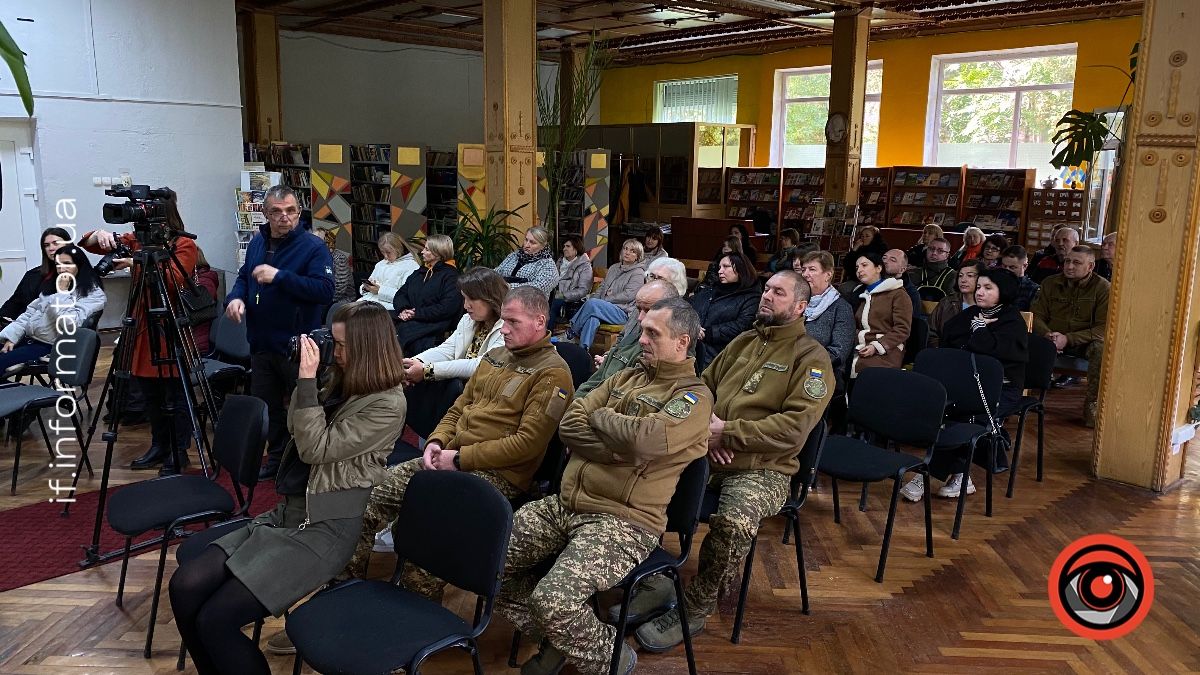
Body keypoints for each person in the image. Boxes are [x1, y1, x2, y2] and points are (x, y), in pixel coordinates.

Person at [170, 302, 407, 675]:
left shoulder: (388, 404)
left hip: (325, 528)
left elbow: (315, 449)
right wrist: (308, 377)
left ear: (366, 349)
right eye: (334, 341)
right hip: (289, 513)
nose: (334, 350)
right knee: (185, 585)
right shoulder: (338, 378)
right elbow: (300, 429)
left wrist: (308, 381)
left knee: (216, 619)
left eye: (341, 345)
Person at [500, 297, 712, 675]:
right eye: (642, 330)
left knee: (553, 601)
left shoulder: (692, 398)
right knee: (485, 562)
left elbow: (647, 440)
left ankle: (610, 658)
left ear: (682, 342)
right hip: (566, 504)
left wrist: (599, 416)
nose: (641, 338)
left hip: (622, 522)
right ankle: (562, 638)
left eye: (652, 333)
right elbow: (568, 422)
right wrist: (614, 444)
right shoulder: (624, 376)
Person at [633, 271, 832, 652]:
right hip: (710, 448)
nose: (767, 296)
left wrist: (730, 432)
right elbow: (700, 388)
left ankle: (696, 607)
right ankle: (656, 581)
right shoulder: (744, 342)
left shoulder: (811, 358)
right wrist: (706, 433)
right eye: (767, 289)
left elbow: (795, 428)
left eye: (779, 292)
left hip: (765, 467)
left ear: (801, 307)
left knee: (734, 521)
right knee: (645, 480)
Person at [339, 287, 573, 590]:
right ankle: (345, 584)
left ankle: (420, 622)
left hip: (497, 473)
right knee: (370, 495)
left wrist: (460, 459)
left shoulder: (553, 373)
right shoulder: (495, 356)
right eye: (503, 320)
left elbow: (527, 445)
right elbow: (458, 409)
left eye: (513, 322)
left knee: (429, 530)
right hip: (451, 457)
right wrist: (436, 441)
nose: (504, 329)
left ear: (540, 321)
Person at [83, 188, 205, 475]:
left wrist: (137, 261)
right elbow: (91, 245)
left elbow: (174, 282)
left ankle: (179, 451)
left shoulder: (183, 243)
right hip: (141, 331)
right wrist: (97, 235)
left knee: (175, 395)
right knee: (150, 396)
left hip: (168, 330)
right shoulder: (138, 241)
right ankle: (159, 445)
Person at [225, 184, 334, 480]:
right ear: (266, 213)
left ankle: (304, 463)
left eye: (290, 211)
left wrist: (280, 277)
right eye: (277, 212)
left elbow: (325, 291)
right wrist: (235, 298)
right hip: (261, 341)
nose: (284, 217)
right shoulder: (258, 243)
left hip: (297, 344)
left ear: (299, 213)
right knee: (268, 406)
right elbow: (244, 278)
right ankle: (275, 458)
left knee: (303, 407)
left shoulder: (313, 247)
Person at [904, 268, 1029, 501]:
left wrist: (980, 333)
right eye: (979, 286)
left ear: (1004, 291)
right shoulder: (971, 313)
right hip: (965, 386)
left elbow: (995, 357)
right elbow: (950, 341)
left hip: (1000, 390)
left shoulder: (1012, 321)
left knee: (968, 419)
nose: (980, 292)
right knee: (947, 414)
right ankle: (962, 475)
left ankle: (926, 475)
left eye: (987, 288)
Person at [399, 267, 508, 438]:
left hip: (486, 394)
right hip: (460, 389)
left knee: (443, 383)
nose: (465, 306)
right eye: (464, 299)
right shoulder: (469, 320)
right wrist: (413, 362)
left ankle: (432, 438)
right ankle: (426, 436)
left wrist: (428, 370)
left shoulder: (507, 327)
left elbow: (481, 365)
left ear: (490, 298)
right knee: (430, 380)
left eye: (471, 299)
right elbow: (447, 349)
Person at [1032, 245, 1109, 427]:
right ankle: (1018, 401)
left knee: (1101, 349)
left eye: (1077, 262)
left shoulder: (1103, 288)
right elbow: (1036, 315)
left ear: (1090, 267)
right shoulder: (1050, 283)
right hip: (1050, 339)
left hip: (1084, 342)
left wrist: (1068, 339)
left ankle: (1092, 408)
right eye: (1067, 261)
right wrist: (1048, 335)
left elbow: (1104, 328)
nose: (1070, 266)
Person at [0, 245, 106, 374]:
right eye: (58, 264)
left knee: (2, 362)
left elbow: (71, 325)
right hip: (30, 338)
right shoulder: (52, 286)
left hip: (53, 348)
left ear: (80, 265)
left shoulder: (94, 294)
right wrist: (12, 337)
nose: (62, 269)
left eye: (67, 264)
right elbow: (29, 314)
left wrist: (62, 293)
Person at [575, 280, 680, 398]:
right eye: (639, 309)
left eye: (648, 310)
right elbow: (591, 384)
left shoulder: (672, 352)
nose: (640, 318)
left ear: (670, 311)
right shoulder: (631, 339)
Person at [567, 239, 647, 351]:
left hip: (623, 312)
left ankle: (572, 332)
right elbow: (602, 287)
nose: (627, 252)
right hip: (604, 308)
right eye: (625, 249)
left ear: (638, 256)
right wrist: (596, 298)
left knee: (593, 304)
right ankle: (583, 349)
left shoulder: (638, 273)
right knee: (592, 318)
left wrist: (605, 300)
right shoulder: (614, 268)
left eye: (633, 251)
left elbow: (628, 295)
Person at [391, 234, 462, 356]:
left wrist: (416, 314)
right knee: (380, 321)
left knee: (402, 333)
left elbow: (447, 308)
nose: (422, 252)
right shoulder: (421, 272)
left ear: (439, 253)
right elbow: (401, 294)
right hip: (412, 317)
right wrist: (404, 309)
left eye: (427, 249)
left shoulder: (451, 276)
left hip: (435, 322)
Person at [689, 251, 759, 372]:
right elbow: (687, 307)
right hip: (692, 348)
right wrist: (692, 325)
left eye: (726, 267)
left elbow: (743, 325)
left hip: (723, 355)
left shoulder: (752, 297)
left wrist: (708, 333)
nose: (720, 271)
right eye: (719, 267)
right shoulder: (710, 290)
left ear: (741, 269)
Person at [849, 251, 912, 376]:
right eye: (857, 267)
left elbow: (902, 329)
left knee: (867, 371)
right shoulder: (858, 294)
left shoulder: (898, 294)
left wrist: (877, 346)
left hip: (887, 351)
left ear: (878, 268)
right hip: (859, 347)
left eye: (864, 265)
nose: (859, 270)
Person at [796, 250, 855, 381]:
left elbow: (839, 352)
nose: (805, 274)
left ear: (828, 275)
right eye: (803, 269)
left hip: (819, 374)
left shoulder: (841, 308)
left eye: (812, 269)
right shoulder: (794, 302)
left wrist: (802, 362)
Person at [0, 227, 71, 324]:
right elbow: (13, 303)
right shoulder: (32, 274)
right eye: (46, 245)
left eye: (56, 243)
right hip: (17, 327)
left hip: (46, 330)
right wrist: (4, 318)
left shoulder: (77, 275)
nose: (51, 248)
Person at [929, 260, 985, 348]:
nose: (963, 280)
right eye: (960, 276)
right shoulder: (947, 302)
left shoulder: (988, 306)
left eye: (970, 276)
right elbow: (931, 332)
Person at [359, 231, 420, 310]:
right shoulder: (381, 264)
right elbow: (371, 280)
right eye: (382, 252)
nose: (385, 256)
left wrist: (380, 291)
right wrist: (366, 287)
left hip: (389, 307)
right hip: (370, 301)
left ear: (398, 249)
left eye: (388, 252)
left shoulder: (411, 266)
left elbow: (407, 297)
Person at [494, 226, 559, 297]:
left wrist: (506, 286)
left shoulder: (548, 265)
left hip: (530, 304)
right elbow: (497, 272)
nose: (527, 245)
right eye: (526, 240)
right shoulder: (514, 256)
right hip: (503, 300)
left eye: (532, 242)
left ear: (543, 246)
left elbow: (536, 288)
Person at [550, 235, 593, 330]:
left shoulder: (585, 266)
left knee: (555, 302)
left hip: (571, 300)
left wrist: (563, 295)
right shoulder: (559, 262)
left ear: (576, 249)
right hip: (554, 296)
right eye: (564, 246)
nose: (564, 249)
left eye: (568, 246)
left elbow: (583, 290)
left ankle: (547, 334)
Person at [907, 236, 958, 301]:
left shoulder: (953, 276)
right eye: (931, 249)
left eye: (940, 251)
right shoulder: (914, 273)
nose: (934, 253)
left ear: (947, 255)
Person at [191, 246, 220, 355]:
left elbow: (197, 312)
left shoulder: (205, 282)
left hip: (199, 343)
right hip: (192, 340)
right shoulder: (196, 280)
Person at [883, 249, 925, 320]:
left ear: (902, 270)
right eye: (884, 258)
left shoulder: (910, 294)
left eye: (893, 260)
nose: (885, 261)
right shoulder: (869, 282)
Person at [316, 228, 356, 304]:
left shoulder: (339, 258)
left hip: (341, 299)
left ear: (327, 243)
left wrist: (319, 300)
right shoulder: (315, 257)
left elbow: (339, 290)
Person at [1000, 245, 1040, 311]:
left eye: (1012, 267)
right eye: (1004, 266)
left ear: (1024, 266)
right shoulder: (996, 284)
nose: (1007, 271)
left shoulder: (1033, 289)